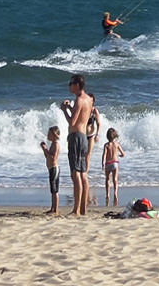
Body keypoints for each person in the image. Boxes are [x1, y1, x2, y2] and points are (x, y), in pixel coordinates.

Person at [60, 74, 93, 216]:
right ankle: (83, 208)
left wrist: (64, 110)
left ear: (77, 85)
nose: (69, 86)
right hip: (84, 137)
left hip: (76, 136)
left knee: (76, 174)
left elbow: (72, 122)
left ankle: (76, 209)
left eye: (71, 83)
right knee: (83, 173)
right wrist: (70, 107)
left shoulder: (79, 100)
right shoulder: (88, 99)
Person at [102, 128, 125, 206]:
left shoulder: (106, 145)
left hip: (108, 163)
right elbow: (123, 154)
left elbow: (104, 154)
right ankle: (115, 193)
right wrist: (119, 155)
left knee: (107, 179)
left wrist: (103, 163)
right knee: (115, 179)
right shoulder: (116, 144)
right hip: (115, 163)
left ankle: (107, 194)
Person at [40, 125, 61, 214]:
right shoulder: (53, 144)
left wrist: (45, 149)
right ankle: (52, 208)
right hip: (51, 168)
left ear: (55, 135)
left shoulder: (56, 145)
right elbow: (47, 156)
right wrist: (45, 150)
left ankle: (55, 209)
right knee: (52, 190)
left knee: (54, 190)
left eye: (49, 134)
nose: (48, 136)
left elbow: (53, 158)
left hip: (54, 168)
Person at [85, 95, 101, 172]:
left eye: (90, 100)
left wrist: (97, 134)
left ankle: (85, 173)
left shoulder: (94, 111)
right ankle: (81, 171)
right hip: (83, 135)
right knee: (81, 155)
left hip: (91, 135)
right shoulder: (83, 109)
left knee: (87, 155)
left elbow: (99, 124)